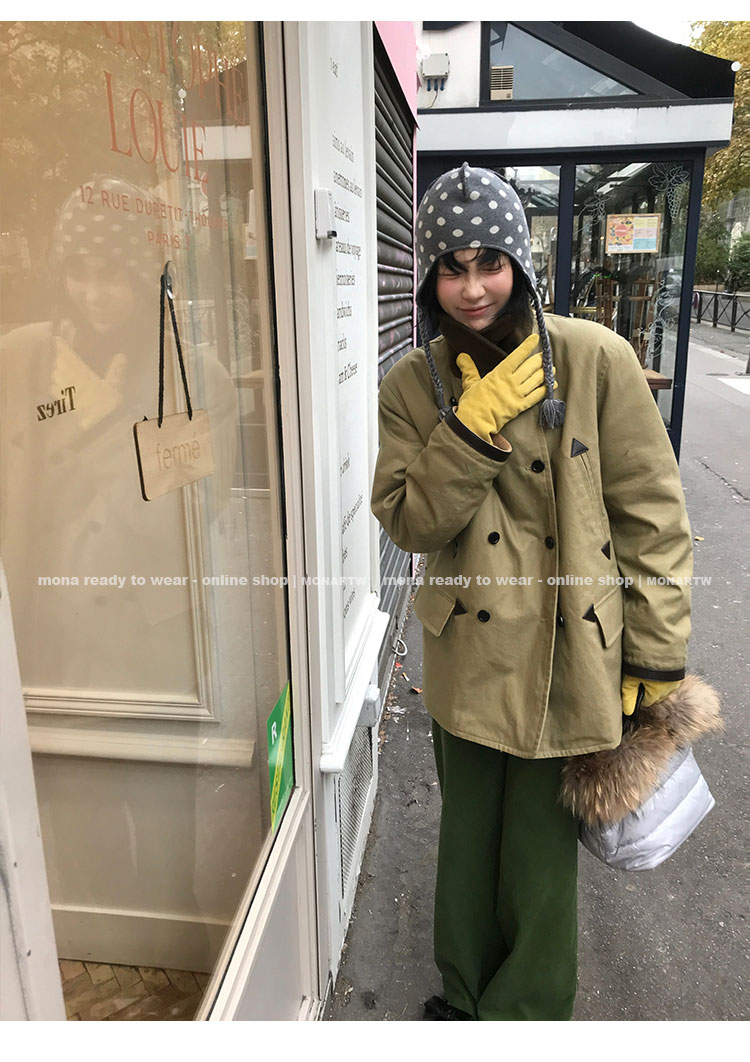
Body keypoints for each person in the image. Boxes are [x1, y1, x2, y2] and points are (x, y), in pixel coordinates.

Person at [370, 163, 693, 1021]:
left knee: (541, 858)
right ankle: (464, 996)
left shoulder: (595, 359)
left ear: (520, 262)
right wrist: (469, 429)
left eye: (491, 263)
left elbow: (652, 517)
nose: (473, 288)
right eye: (452, 267)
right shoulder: (412, 385)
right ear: (430, 276)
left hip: (571, 645)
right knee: (468, 843)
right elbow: (409, 523)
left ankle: (527, 1015)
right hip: (469, 651)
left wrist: (655, 653)